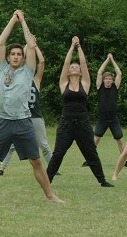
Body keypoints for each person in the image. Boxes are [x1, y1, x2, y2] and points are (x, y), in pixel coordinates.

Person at [0, 10, 63, 203]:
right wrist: (12, 20)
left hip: (24, 122)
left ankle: (50, 195)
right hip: (2, 122)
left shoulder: (28, 71)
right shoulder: (1, 69)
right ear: (8, 57)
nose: (16, 57)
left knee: (36, 161)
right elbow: (0, 42)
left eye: (19, 54)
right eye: (13, 54)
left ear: (23, 58)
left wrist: (23, 21)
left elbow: (31, 45)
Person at [45, 36, 114, 187]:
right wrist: (71, 47)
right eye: (72, 67)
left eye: (77, 67)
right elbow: (66, 63)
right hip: (66, 123)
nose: (75, 67)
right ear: (68, 72)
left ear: (81, 72)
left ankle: (102, 181)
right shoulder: (64, 84)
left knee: (91, 153)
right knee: (58, 153)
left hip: (83, 123)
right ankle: (46, 181)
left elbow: (83, 63)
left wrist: (79, 46)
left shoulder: (85, 83)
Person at [0, 42, 54, 176]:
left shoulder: (35, 79)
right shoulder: (17, 77)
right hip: (20, 116)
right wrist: (27, 45)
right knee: (11, 146)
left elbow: (42, 62)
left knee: (43, 144)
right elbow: (18, 61)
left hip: (35, 116)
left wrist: (35, 46)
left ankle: (53, 167)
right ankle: (2, 168)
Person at [82, 53, 124, 167]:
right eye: (106, 79)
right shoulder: (99, 87)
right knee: (95, 140)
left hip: (113, 119)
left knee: (119, 140)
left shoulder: (115, 87)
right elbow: (99, 72)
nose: (108, 80)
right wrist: (107, 60)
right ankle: (90, 160)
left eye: (110, 79)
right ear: (104, 80)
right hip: (102, 119)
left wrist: (112, 60)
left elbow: (119, 73)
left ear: (112, 80)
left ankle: (124, 160)